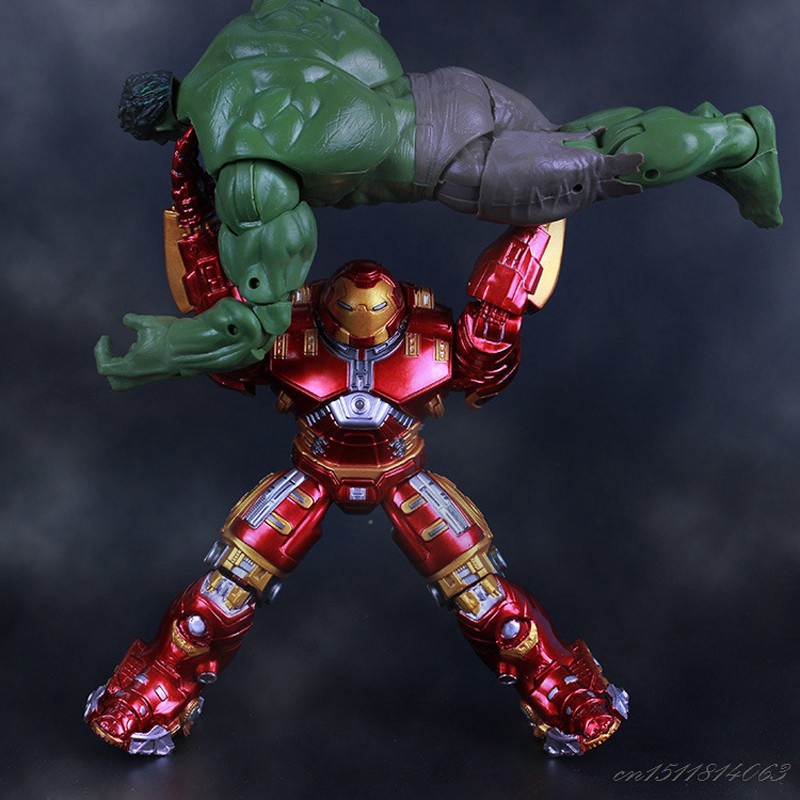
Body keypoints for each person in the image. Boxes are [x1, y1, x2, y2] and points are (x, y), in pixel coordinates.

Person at [96, 0, 782, 389]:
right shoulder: (251, 32)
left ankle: (739, 140)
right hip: (453, 90)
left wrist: (168, 349)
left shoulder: (244, 160)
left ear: (165, 130)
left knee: (602, 166)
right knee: (575, 139)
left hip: (455, 159)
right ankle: (707, 142)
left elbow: (258, 323)